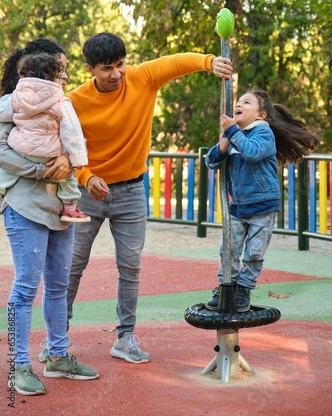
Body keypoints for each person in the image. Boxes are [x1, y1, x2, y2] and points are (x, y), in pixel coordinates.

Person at [48, 32, 233, 365]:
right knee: (72, 265)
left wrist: (210, 62)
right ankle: (57, 339)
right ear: (91, 69)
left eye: (120, 64)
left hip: (132, 191)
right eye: (107, 68)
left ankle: (125, 337)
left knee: (130, 267)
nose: (116, 73)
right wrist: (87, 177)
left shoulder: (142, 79)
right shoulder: (74, 102)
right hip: (88, 193)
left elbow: (175, 62)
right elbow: (65, 150)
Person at [0, 38, 99, 397]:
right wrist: (43, 170)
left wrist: (69, 162)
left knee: (58, 285)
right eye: (61, 69)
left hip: (60, 209)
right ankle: (18, 365)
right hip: (25, 206)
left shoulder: (59, 102)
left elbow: (72, 139)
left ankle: (57, 356)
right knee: (26, 286)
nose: (65, 76)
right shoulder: (11, 106)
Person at [205, 88, 318, 312]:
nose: (239, 105)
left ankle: (243, 289)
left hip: (262, 204)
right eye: (238, 102)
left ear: (260, 115)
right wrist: (222, 147)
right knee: (228, 248)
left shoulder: (262, 133)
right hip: (237, 205)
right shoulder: (234, 135)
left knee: (254, 252)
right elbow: (211, 161)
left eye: (247, 102)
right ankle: (227, 285)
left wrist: (233, 134)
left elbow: (253, 153)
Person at [0, 52, 90, 222]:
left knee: (5, 171)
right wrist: (77, 159)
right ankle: (70, 208)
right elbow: (72, 131)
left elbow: (3, 113)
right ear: (53, 77)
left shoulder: (17, 96)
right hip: (49, 155)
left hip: (20, 148)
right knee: (67, 178)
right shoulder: (61, 101)